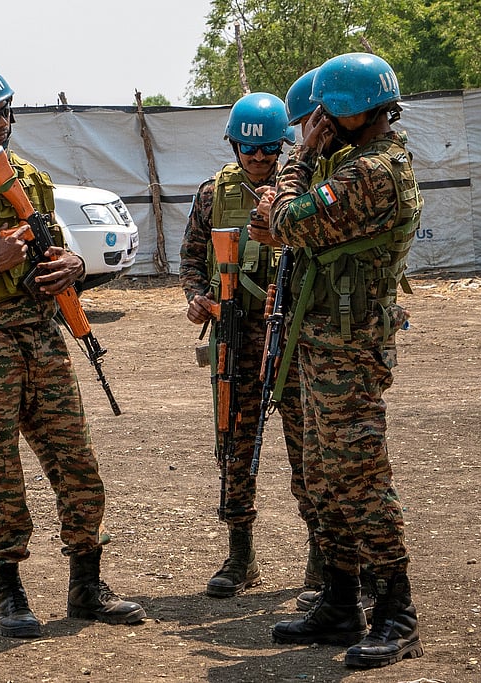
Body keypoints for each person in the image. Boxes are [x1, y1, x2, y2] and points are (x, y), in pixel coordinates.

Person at [0, 66, 145, 639]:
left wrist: (75, 266)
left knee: (77, 464)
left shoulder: (30, 181)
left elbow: (60, 252)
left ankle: (87, 585)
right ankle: (8, 592)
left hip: (45, 341)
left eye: (8, 113)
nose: (3, 124)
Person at [264, 52, 424, 669]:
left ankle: (396, 611)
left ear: (352, 113)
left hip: (348, 347)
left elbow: (287, 219)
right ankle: (338, 602)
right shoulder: (359, 164)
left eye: (328, 111)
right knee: (325, 475)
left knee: (359, 473)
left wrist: (299, 161)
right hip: (324, 340)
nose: (319, 121)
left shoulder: (371, 173)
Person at [179, 92, 317, 599]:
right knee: (235, 449)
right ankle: (240, 556)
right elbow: (192, 258)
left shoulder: (301, 191)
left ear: (282, 147)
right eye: (248, 150)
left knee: (308, 449)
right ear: (235, 145)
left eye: (268, 152)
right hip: (235, 337)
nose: (258, 160)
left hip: (291, 339)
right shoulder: (212, 194)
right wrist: (197, 299)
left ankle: (320, 562)